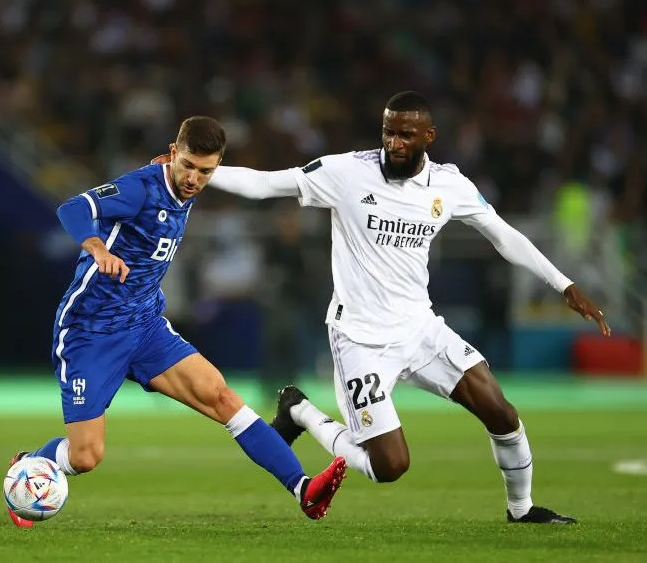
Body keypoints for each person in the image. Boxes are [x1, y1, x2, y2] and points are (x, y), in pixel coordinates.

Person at [154, 91, 610, 524]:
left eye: (406, 135)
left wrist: (564, 283)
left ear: (428, 137)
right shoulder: (348, 172)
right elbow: (269, 183)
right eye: (388, 132)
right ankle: (300, 410)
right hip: (360, 340)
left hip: (421, 330)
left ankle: (522, 509)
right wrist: (195, 171)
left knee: (502, 412)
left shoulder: (449, 185)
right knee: (388, 466)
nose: (393, 143)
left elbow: (502, 234)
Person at [7, 116, 348, 529]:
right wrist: (96, 246)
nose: (193, 178)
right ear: (173, 153)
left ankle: (304, 490)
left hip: (146, 326)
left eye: (205, 171)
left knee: (222, 397)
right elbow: (73, 207)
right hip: (90, 332)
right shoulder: (140, 189)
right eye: (186, 165)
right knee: (86, 457)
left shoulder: (189, 184)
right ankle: (32, 464)